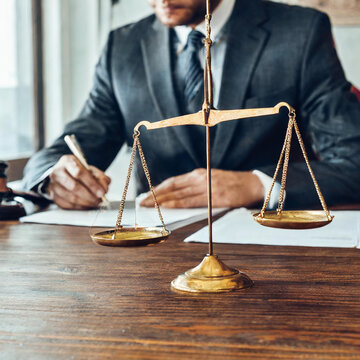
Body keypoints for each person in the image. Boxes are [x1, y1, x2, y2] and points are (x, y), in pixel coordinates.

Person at [23, 0, 360, 210]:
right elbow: (66, 149)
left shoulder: (300, 32)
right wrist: (54, 177)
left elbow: (353, 163)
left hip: (273, 251)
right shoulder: (122, 47)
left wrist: (256, 184)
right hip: (155, 256)